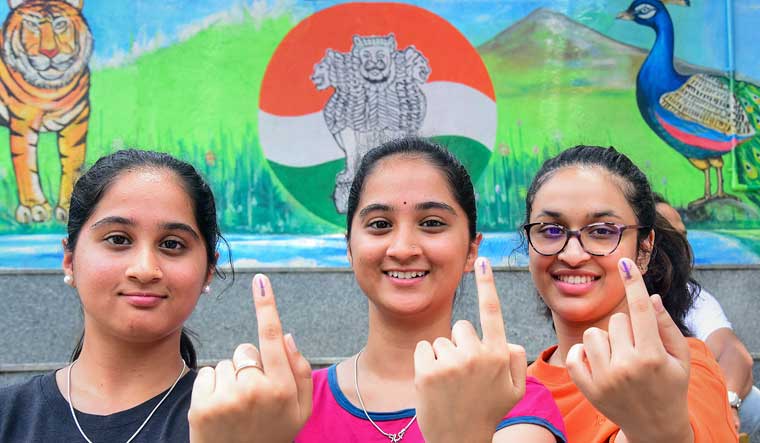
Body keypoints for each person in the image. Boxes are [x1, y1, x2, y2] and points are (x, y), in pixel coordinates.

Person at [0, 149, 312, 443]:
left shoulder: (241, 421)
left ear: (208, 269)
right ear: (69, 259)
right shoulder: (8, 415)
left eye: (172, 244)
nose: (145, 269)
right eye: (118, 239)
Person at [296, 137, 567, 442]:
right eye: (380, 224)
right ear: (349, 247)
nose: (403, 249)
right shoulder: (291, 407)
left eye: (432, 223)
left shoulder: (511, 398)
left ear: (471, 250)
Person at [523, 145, 737, 442]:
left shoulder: (679, 370)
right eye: (550, 230)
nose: (572, 254)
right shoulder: (510, 390)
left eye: (602, 231)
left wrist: (659, 431)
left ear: (644, 249)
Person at [655, 195, 759, 436]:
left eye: (684, 236)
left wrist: (729, 403)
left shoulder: (690, 295)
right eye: (670, 236)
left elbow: (736, 355)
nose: (683, 247)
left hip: (703, 400)